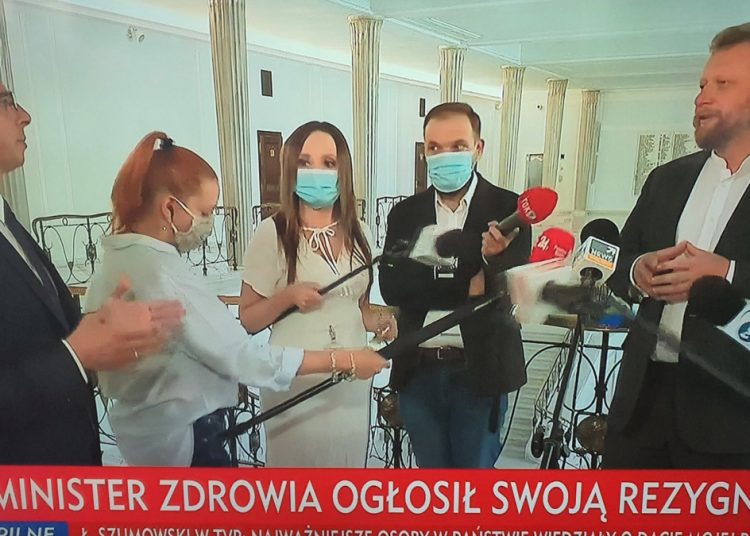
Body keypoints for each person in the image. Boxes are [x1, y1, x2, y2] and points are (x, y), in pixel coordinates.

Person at [84, 131, 388, 467]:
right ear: (170, 209)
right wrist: (342, 359)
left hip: (151, 434)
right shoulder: (161, 275)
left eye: (329, 163)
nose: (208, 225)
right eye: (204, 212)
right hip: (181, 436)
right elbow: (241, 355)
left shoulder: (121, 262)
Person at [0, 84, 185, 465]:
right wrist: (76, 354)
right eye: (6, 103)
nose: (25, 116)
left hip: (67, 470)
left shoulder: (8, 222)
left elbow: (37, 337)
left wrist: (105, 330)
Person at [604, 23, 750, 469]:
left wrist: (726, 273)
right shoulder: (667, 178)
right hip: (639, 407)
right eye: (702, 84)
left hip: (731, 420)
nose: (702, 97)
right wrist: (636, 271)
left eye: (722, 83)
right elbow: (618, 260)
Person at [379, 102, 531, 468]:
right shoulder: (404, 214)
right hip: (418, 371)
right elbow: (392, 287)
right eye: (435, 147)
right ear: (425, 151)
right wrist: (470, 281)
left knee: (472, 488)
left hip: (481, 371)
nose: (445, 156)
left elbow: (510, 286)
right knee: (432, 486)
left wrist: (486, 265)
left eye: (458, 146)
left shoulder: (509, 209)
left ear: (478, 148)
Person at [239, 121, 397, 467]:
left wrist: (381, 321)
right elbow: (248, 319)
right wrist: (287, 296)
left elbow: (359, 307)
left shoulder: (361, 232)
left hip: (352, 381)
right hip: (297, 381)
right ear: (290, 170)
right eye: (305, 162)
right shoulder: (272, 232)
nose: (317, 172)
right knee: (298, 484)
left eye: (328, 163)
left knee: (344, 479)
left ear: (343, 171)